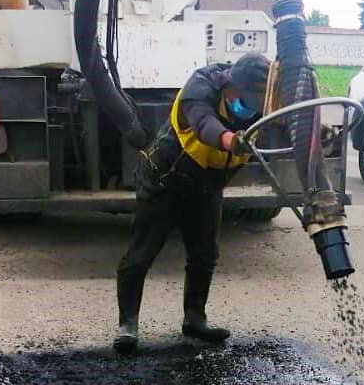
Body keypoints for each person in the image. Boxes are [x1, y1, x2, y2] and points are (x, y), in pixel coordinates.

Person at [114, 53, 270, 354]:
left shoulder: (262, 104)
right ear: (229, 86)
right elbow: (203, 124)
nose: (249, 105)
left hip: (206, 188)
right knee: (141, 254)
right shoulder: (200, 87)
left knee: (204, 254)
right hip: (165, 183)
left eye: (256, 99)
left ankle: (194, 320)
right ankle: (128, 325)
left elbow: (289, 124)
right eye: (244, 97)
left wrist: (317, 134)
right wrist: (229, 140)